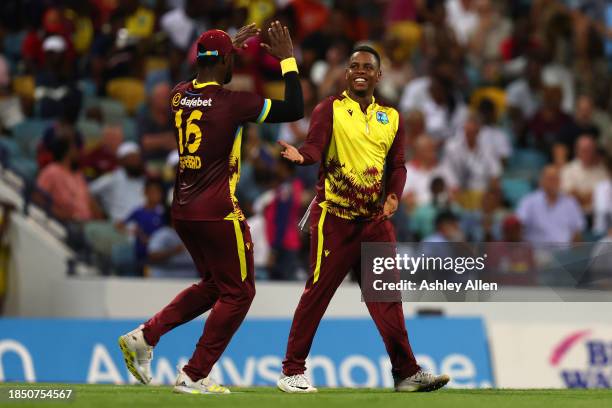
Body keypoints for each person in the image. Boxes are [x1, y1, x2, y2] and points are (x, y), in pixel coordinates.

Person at [118, 22, 303, 394]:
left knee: (214, 285)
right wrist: (287, 61)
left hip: (183, 209)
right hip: (218, 210)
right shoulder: (235, 103)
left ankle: (146, 336)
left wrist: (222, 49)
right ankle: (195, 373)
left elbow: (198, 78)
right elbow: (294, 108)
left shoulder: (177, 95)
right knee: (240, 292)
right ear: (225, 64)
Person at [277, 45, 449, 393]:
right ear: (346, 74)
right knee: (317, 294)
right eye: (354, 65)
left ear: (378, 75)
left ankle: (406, 373)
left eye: (367, 67)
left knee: (387, 298)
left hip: (374, 222)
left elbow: (397, 166)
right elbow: (314, 147)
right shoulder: (330, 109)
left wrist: (393, 195)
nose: (360, 71)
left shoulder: (392, 117)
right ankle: (292, 371)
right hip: (335, 219)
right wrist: (302, 157)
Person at [517, 165, 585, 244]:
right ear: (541, 181)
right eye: (550, 179)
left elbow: (578, 231)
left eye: (556, 179)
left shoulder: (571, 202)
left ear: (560, 181)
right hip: (537, 251)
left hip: (565, 252)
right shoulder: (528, 202)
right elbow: (519, 225)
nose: (553, 182)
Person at [117, 178, 166, 276]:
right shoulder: (138, 211)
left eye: (157, 192)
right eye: (152, 192)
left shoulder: (163, 213)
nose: (155, 195)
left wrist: (152, 240)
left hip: (158, 255)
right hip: (140, 253)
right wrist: (133, 231)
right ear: (145, 193)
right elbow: (119, 225)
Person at [89, 142, 146, 222]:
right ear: (121, 161)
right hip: (119, 227)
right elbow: (87, 191)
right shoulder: (112, 178)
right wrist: (99, 213)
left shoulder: (144, 179)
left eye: (137, 158)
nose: (135, 162)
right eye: (131, 159)